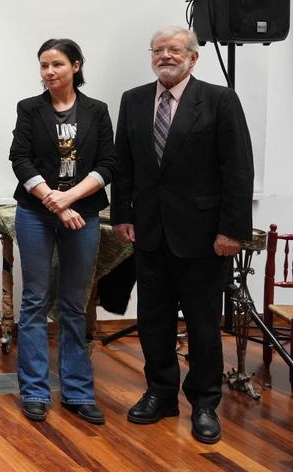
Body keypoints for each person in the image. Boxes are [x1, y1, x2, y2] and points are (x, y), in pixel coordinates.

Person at [111, 26, 253, 445]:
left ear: (193, 58)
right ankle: (160, 393)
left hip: (205, 237)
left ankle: (205, 402)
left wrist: (232, 230)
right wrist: (122, 214)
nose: (165, 56)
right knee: (153, 321)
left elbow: (238, 169)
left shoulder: (219, 100)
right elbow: (123, 166)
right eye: (158, 50)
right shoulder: (134, 100)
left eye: (175, 50)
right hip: (149, 234)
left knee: (204, 326)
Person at [9, 38, 115, 425]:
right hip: (35, 212)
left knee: (74, 303)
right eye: (43, 65)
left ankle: (77, 391)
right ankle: (35, 390)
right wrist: (52, 199)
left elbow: (107, 165)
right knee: (35, 301)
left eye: (56, 64)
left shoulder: (97, 111)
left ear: (76, 65)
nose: (49, 72)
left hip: (82, 213)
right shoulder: (29, 109)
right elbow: (19, 157)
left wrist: (68, 199)